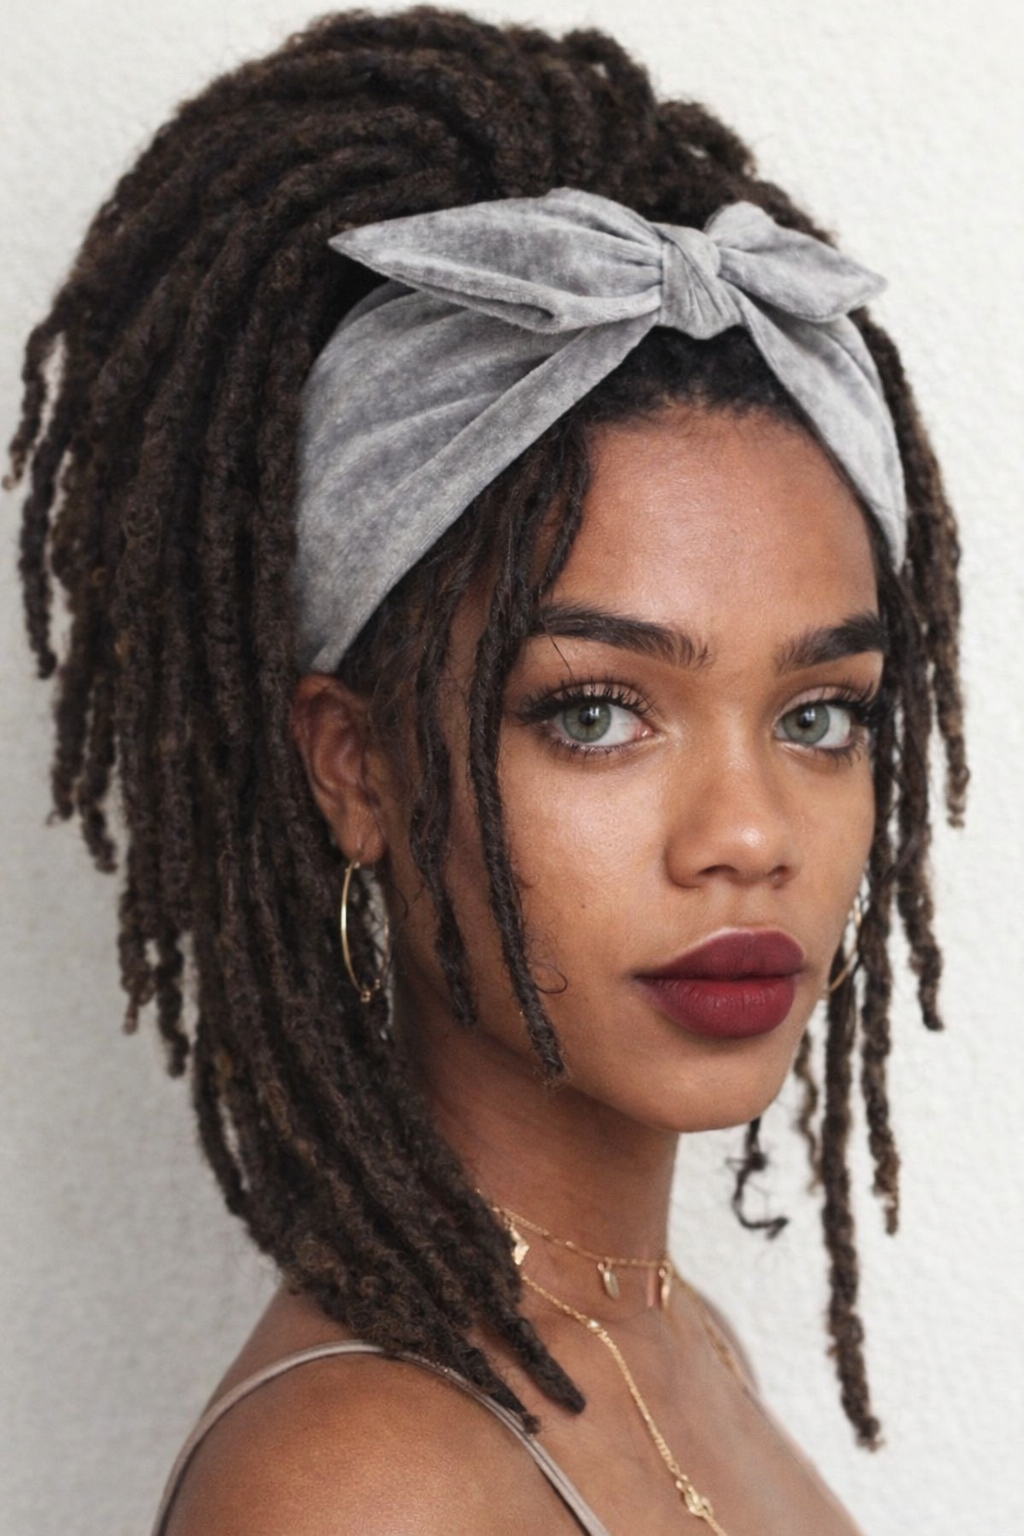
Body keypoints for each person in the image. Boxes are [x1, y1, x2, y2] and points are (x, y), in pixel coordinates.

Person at [6, 7, 967, 1533]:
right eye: (595, 710)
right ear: (356, 768)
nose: (746, 836)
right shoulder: (363, 1485)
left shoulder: (663, 1343)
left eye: (818, 714)